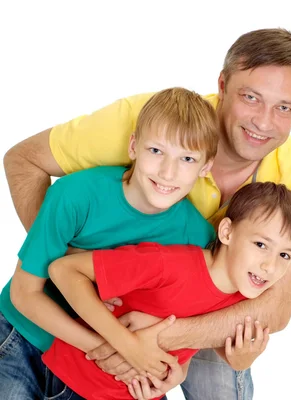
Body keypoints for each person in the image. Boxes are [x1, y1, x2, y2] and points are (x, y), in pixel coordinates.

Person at [3, 27, 291, 400]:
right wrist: (68, 261)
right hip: (90, 311)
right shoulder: (153, 123)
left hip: (190, 315)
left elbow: (274, 307)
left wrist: (155, 342)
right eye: (251, 97)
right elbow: (23, 161)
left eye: (284, 108)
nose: (264, 122)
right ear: (222, 84)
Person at [0, 87, 219, 399]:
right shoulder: (75, 195)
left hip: (96, 372)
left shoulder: (197, 238)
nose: (168, 172)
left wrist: (175, 374)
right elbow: (25, 293)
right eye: (156, 151)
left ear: (206, 167)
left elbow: (184, 328)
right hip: (25, 337)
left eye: (186, 158)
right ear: (133, 146)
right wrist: (111, 348)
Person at [44, 182, 291, 400]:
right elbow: (64, 270)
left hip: (142, 394)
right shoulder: (168, 264)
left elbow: (197, 336)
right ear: (226, 232)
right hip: (80, 384)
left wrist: (240, 360)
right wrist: (126, 343)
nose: (270, 266)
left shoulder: (243, 298)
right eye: (260, 244)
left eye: (284, 254)